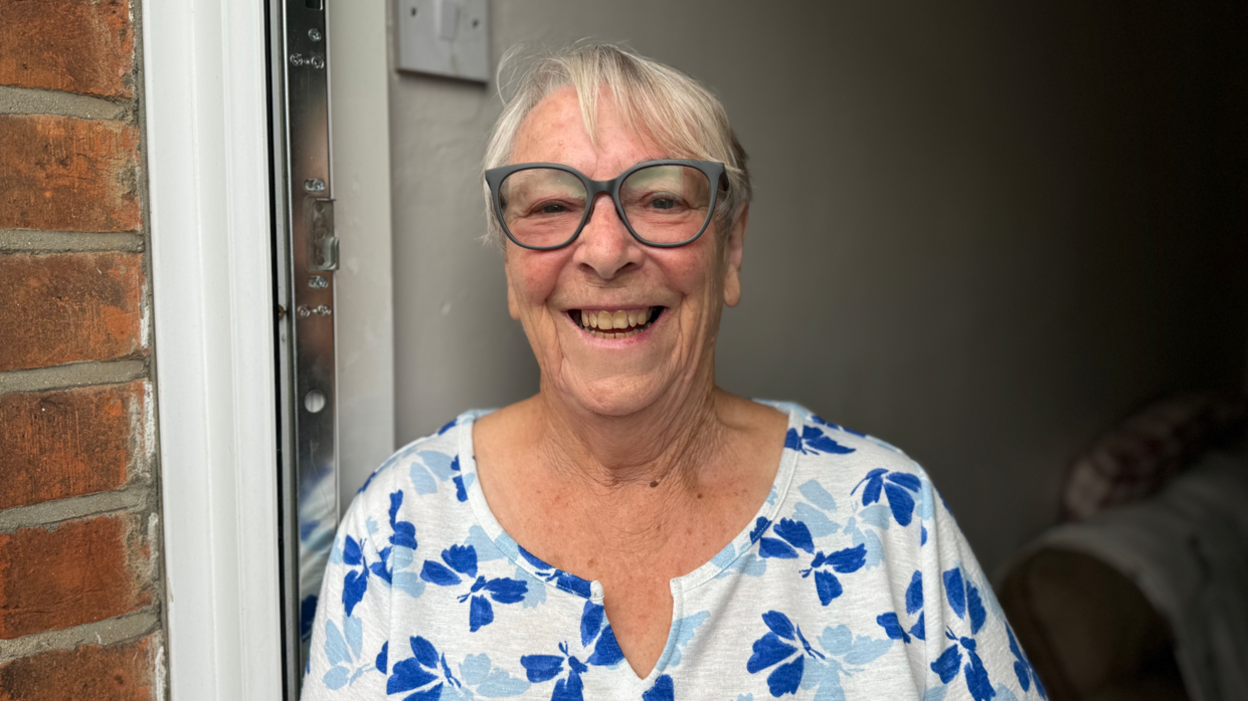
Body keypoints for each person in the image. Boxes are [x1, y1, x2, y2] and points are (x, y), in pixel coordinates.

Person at [303, 44, 1045, 701]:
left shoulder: (887, 516)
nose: (605, 251)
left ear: (733, 246)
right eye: (553, 204)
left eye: (660, 200)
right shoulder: (397, 528)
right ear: (509, 266)